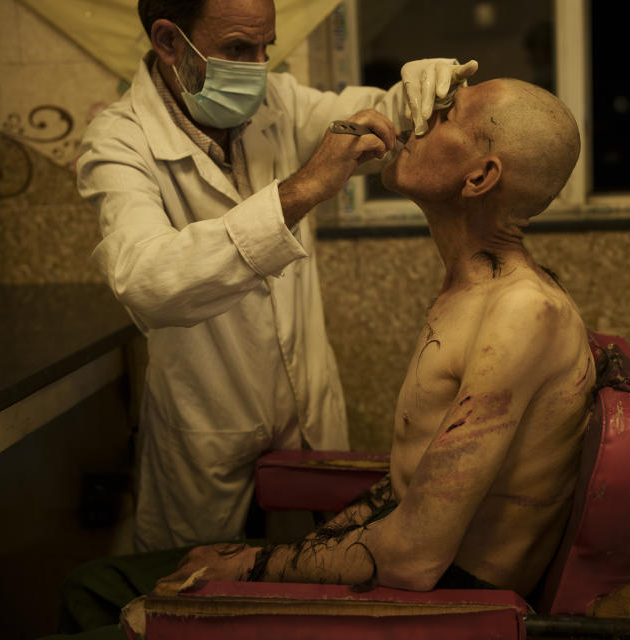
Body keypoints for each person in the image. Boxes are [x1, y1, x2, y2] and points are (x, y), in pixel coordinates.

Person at [153, 77, 594, 599]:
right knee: (108, 582)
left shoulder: (521, 314)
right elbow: (404, 491)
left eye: (446, 116)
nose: (421, 119)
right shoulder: (472, 290)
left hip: (441, 615)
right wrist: (306, 546)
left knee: (94, 588)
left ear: (480, 177)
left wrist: (250, 563)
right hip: (407, 586)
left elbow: (413, 558)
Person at [77, 0, 477, 552]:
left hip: (306, 406)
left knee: (316, 570)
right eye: (238, 49)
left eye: (267, 47)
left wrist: (414, 93)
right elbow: (147, 282)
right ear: (169, 41)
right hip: (205, 421)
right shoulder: (119, 141)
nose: (259, 68)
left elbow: (371, 116)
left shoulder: (278, 102)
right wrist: (306, 187)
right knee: (194, 591)